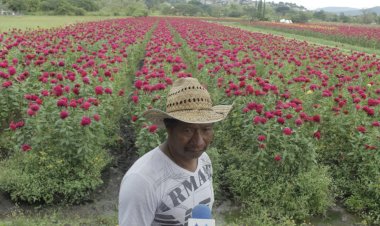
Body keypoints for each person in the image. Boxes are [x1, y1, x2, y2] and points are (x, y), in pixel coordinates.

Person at [118, 77, 232, 226]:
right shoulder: (142, 181)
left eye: (206, 129)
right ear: (169, 128)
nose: (199, 141)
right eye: (187, 130)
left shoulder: (203, 160)